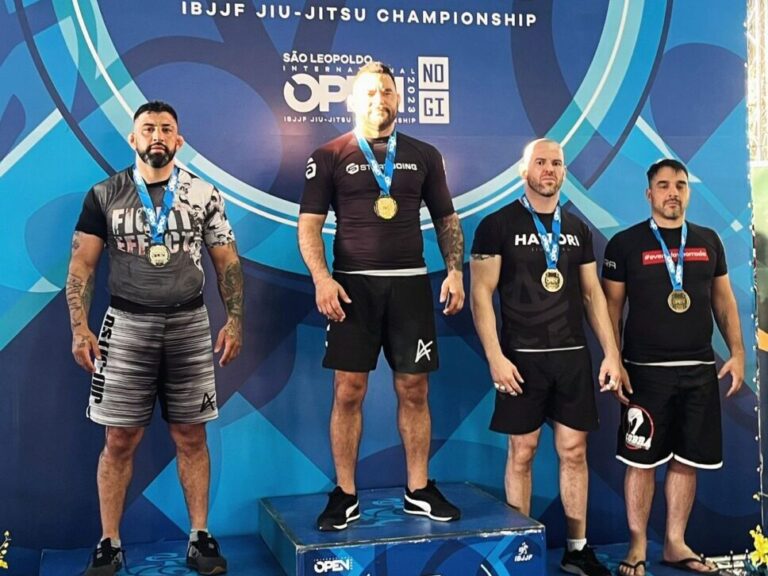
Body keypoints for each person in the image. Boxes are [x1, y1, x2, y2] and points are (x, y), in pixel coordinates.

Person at [66, 101, 243, 576]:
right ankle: (109, 542)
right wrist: (79, 327)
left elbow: (227, 261)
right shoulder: (104, 194)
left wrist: (235, 320)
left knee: (191, 434)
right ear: (133, 138)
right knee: (119, 438)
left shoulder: (204, 193)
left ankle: (200, 536)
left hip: (189, 325)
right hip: (126, 325)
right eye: (148, 128)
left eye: (166, 128)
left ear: (179, 140)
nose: (157, 136)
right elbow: (82, 265)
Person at [298, 61, 465, 531]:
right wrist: (322, 279)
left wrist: (455, 272)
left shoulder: (425, 154)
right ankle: (345, 493)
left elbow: (447, 220)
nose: (380, 99)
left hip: (410, 286)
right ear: (353, 100)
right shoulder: (328, 154)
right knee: (348, 390)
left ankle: (418, 489)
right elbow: (308, 226)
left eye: (387, 92)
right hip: (352, 289)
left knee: (414, 389)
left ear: (399, 99)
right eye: (370, 92)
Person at [470, 138, 621, 576]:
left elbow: (592, 295)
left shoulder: (577, 228)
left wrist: (611, 354)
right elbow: (481, 295)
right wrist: (495, 357)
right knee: (523, 450)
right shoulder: (496, 225)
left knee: (574, 450)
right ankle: (519, 549)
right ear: (524, 171)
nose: (549, 169)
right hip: (521, 359)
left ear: (564, 172)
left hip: (572, 358)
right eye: (540, 162)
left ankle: (577, 549)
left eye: (556, 163)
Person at [602, 159, 744, 576]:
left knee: (687, 459)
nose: (673, 193)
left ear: (688, 192)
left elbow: (723, 300)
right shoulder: (625, 244)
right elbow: (611, 309)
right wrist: (614, 359)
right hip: (644, 372)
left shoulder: (708, 240)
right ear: (649, 194)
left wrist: (737, 352)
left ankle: (676, 544)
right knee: (642, 462)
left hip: (699, 369)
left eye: (680, 185)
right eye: (663, 186)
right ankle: (637, 545)